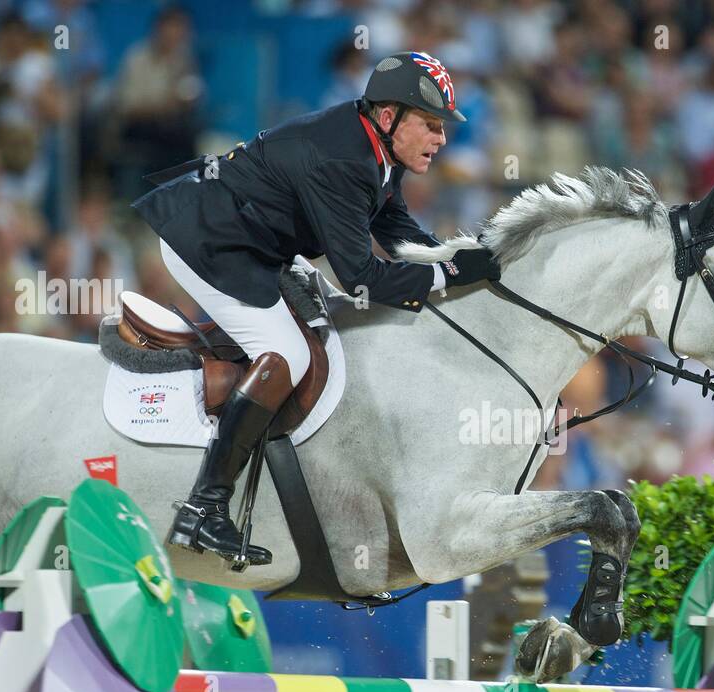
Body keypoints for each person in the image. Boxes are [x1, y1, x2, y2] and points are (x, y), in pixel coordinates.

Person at [133, 51, 501, 565]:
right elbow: (362, 279)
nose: (442, 139)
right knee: (289, 354)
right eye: (432, 125)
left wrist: (457, 257)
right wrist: (454, 273)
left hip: (255, 242)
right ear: (390, 116)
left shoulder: (376, 145)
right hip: (210, 242)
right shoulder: (344, 159)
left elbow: (396, 233)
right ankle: (204, 508)